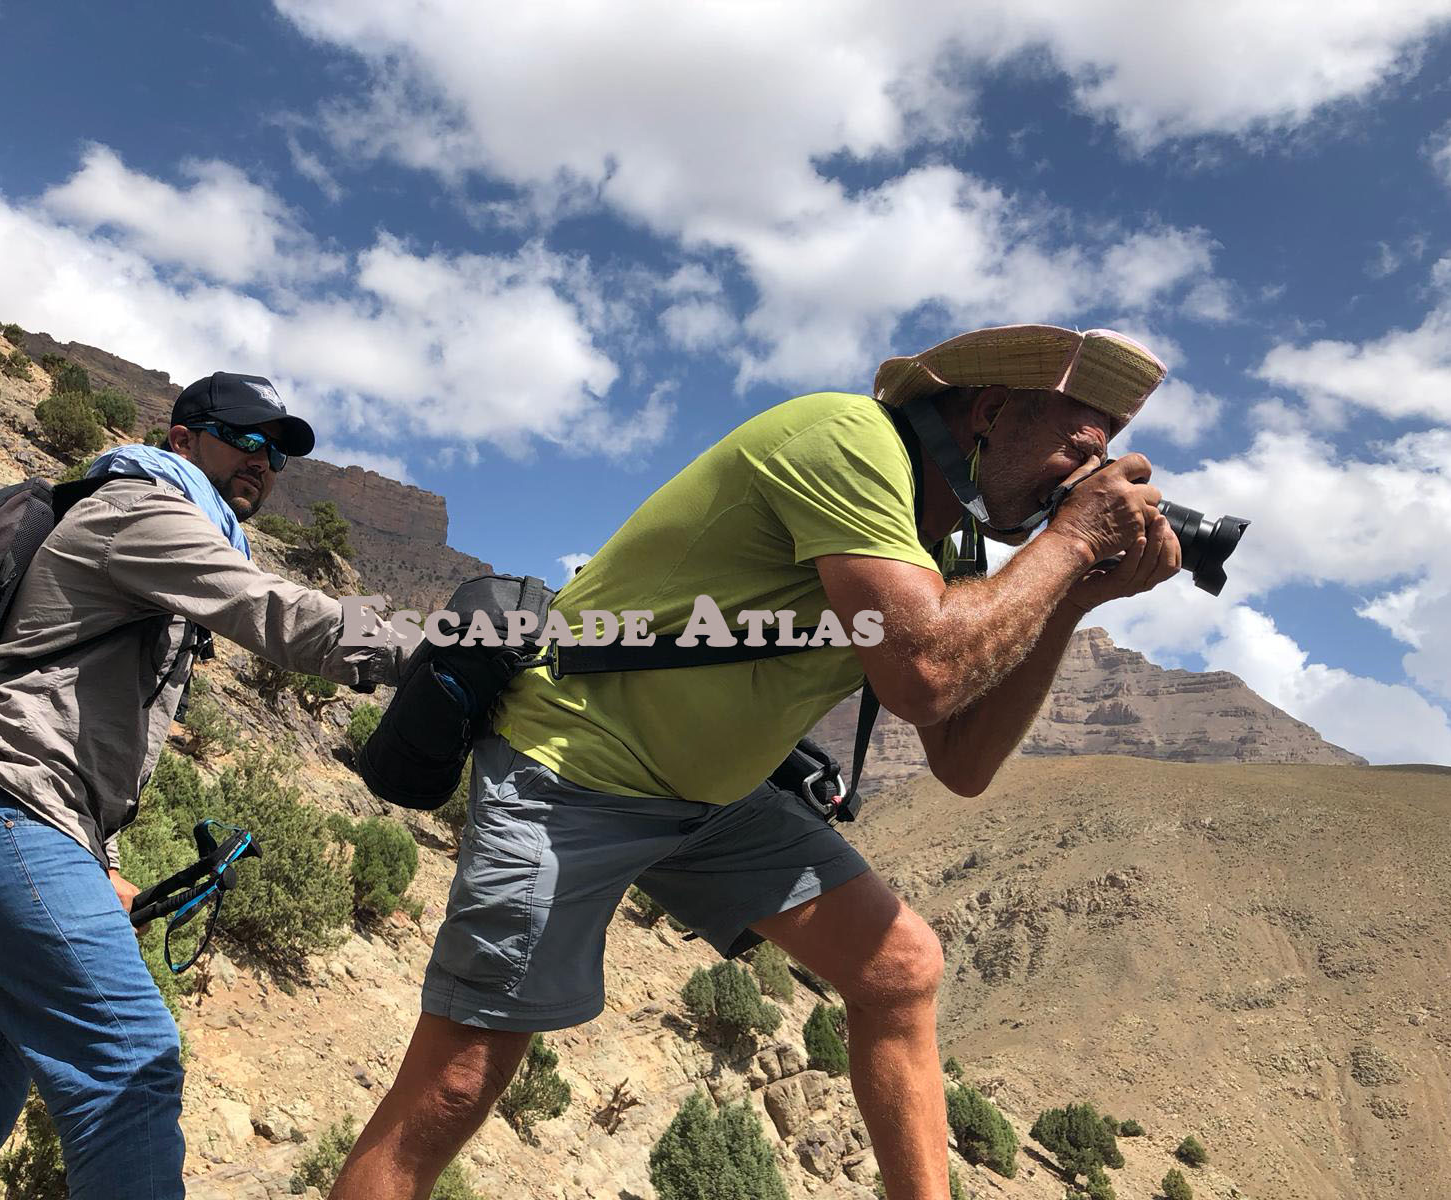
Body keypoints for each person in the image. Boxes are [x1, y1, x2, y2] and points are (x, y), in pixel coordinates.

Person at [331, 325, 1182, 1200]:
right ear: (993, 410)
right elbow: (926, 671)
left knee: (899, 970)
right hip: (578, 764)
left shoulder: (942, 543)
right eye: (1080, 446)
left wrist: (1076, 592)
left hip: (711, 797)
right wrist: (1073, 542)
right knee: (456, 1083)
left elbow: (962, 760)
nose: (1089, 474)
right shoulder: (848, 439)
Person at [0, 372, 401, 1200]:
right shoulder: (141, 507)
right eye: (245, 439)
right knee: (131, 1067)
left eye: (277, 455)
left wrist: (97, 856)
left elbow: (75, 720)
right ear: (183, 438)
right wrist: (449, 641)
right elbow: (288, 619)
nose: (262, 462)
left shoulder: (162, 524)